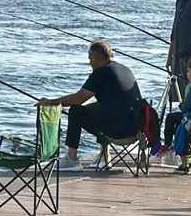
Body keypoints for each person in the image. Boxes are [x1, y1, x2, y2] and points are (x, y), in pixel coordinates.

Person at [39, 41, 142, 169]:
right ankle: (105, 157)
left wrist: (51, 102)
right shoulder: (125, 69)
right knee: (101, 107)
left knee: (76, 111)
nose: (89, 63)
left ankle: (71, 159)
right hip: (136, 129)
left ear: (97, 58)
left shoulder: (101, 72)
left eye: (90, 59)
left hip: (119, 132)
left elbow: (78, 99)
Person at [158, 54, 191, 157]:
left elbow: (186, 106)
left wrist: (182, 105)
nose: (187, 74)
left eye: (188, 71)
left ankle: (167, 145)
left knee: (170, 117)